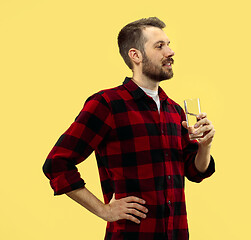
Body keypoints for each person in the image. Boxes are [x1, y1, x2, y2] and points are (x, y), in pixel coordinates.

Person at [43, 17, 215, 240]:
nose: (170, 52)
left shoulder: (174, 110)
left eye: (169, 44)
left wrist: (205, 146)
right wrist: (104, 210)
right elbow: (56, 164)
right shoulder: (107, 104)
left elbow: (194, 171)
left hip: (177, 234)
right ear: (136, 55)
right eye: (160, 46)